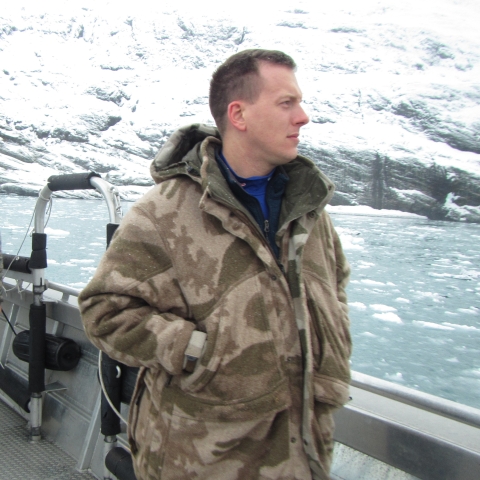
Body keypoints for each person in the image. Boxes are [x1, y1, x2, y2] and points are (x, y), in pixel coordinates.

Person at [79, 49, 351, 480]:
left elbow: (335, 287)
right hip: (203, 460)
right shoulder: (164, 214)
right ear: (239, 115)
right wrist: (198, 352)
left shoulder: (309, 210)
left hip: (305, 454)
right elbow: (104, 311)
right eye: (287, 103)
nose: (303, 117)